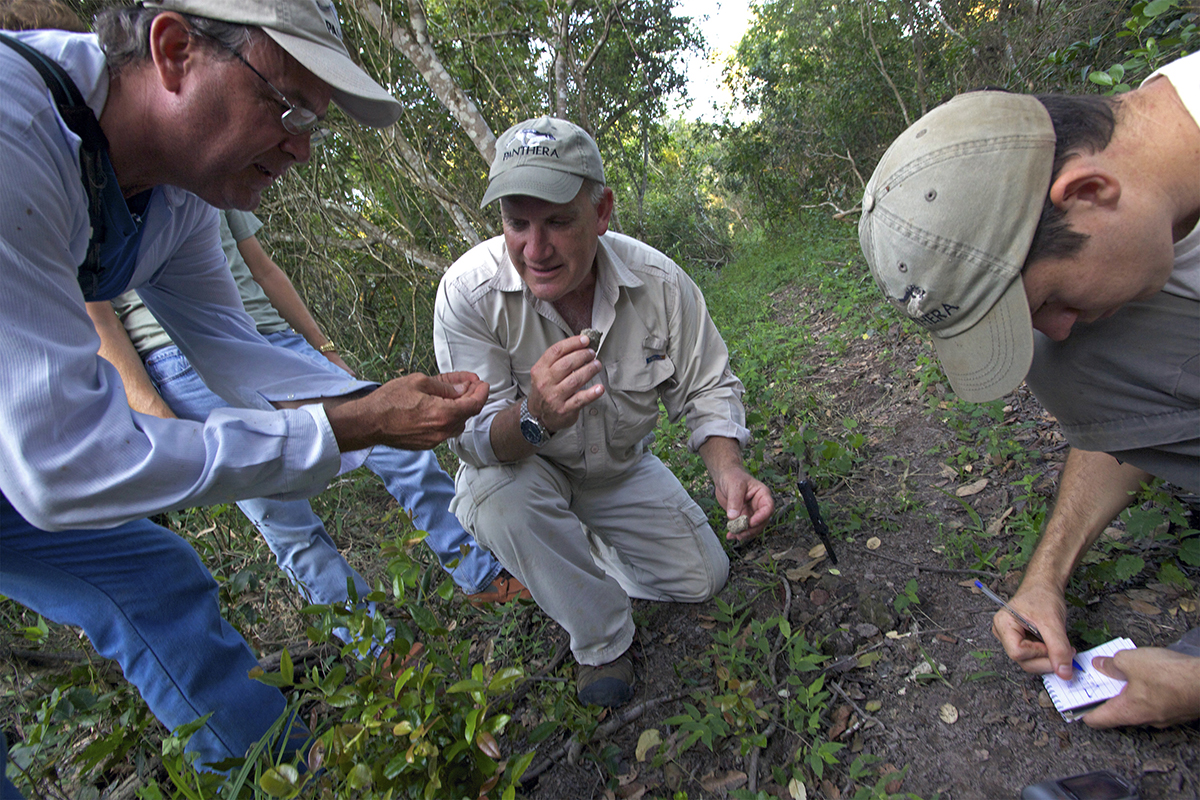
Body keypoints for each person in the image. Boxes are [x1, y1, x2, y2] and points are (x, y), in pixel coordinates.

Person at [0, 0, 489, 781]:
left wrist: (397, 401)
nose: (299, 147)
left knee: (154, 579)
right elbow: (64, 467)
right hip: (28, 447)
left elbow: (240, 359)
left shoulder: (178, 192)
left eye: (314, 124)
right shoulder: (15, 129)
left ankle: (283, 776)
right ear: (175, 50)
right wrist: (352, 424)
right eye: (286, 106)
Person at [858, 53, 1199, 728]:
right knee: (1061, 350)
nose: (1061, 327)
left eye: (1050, 297)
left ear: (1086, 192)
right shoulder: (1158, 178)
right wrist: (1046, 575)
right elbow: (1137, 399)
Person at [433, 117, 775, 708]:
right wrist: (535, 416)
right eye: (517, 224)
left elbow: (707, 386)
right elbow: (475, 440)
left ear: (602, 212)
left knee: (704, 578)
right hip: (527, 468)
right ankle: (601, 639)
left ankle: (583, 549)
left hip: (616, 469)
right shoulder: (470, 294)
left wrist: (728, 470)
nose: (534, 250)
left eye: (558, 222)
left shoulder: (658, 282)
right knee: (497, 498)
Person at [87, 209, 528, 612]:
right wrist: (155, 413)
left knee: (398, 443)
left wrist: (323, 348)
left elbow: (261, 267)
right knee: (281, 515)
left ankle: (479, 573)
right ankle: (373, 645)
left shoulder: (200, 173)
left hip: (269, 338)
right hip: (176, 359)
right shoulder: (85, 189)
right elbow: (100, 318)